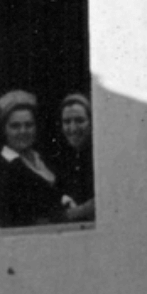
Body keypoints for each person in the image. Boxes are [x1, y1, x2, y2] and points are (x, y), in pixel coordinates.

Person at [0, 90, 66, 227]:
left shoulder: (42, 158)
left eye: (28, 125)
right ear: (4, 130)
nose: (23, 131)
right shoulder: (2, 169)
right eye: (15, 126)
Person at [56, 93, 95, 221]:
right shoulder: (62, 159)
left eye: (80, 120)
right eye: (67, 122)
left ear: (91, 122)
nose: (73, 128)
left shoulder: (100, 155)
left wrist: (74, 213)